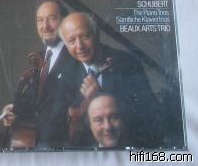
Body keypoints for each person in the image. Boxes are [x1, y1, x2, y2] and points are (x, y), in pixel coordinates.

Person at [60, 12, 164, 148]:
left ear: (96, 34)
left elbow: (150, 115)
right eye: (72, 41)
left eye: (85, 36)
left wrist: (99, 97)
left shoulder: (128, 63)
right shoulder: (66, 72)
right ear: (66, 46)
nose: (80, 46)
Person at [1, 1, 78, 149]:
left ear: (65, 21)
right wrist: (14, 112)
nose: (45, 26)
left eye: (52, 18)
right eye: (40, 20)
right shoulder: (37, 58)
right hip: (32, 142)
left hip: (60, 146)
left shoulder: (76, 57)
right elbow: (37, 104)